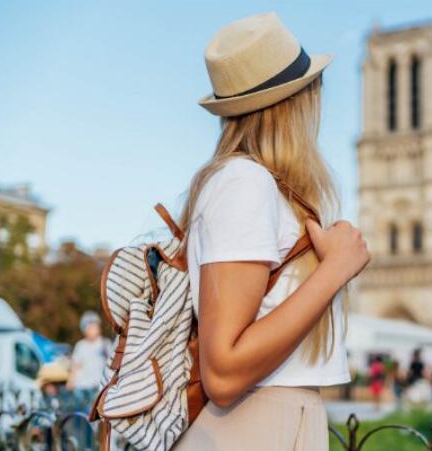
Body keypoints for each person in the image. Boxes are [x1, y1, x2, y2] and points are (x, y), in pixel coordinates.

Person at [172, 12, 370, 451]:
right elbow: (223, 372)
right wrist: (335, 269)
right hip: (251, 424)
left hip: (268, 420)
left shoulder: (264, 187)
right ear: (298, 100)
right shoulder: (245, 182)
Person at [67, 311, 110, 410]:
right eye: (89, 328)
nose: (93, 330)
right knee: (82, 413)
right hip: (81, 386)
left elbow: (110, 364)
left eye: (95, 327)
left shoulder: (105, 344)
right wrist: (71, 381)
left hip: (98, 386)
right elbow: (76, 366)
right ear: (84, 330)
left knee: (96, 412)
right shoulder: (81, 345)